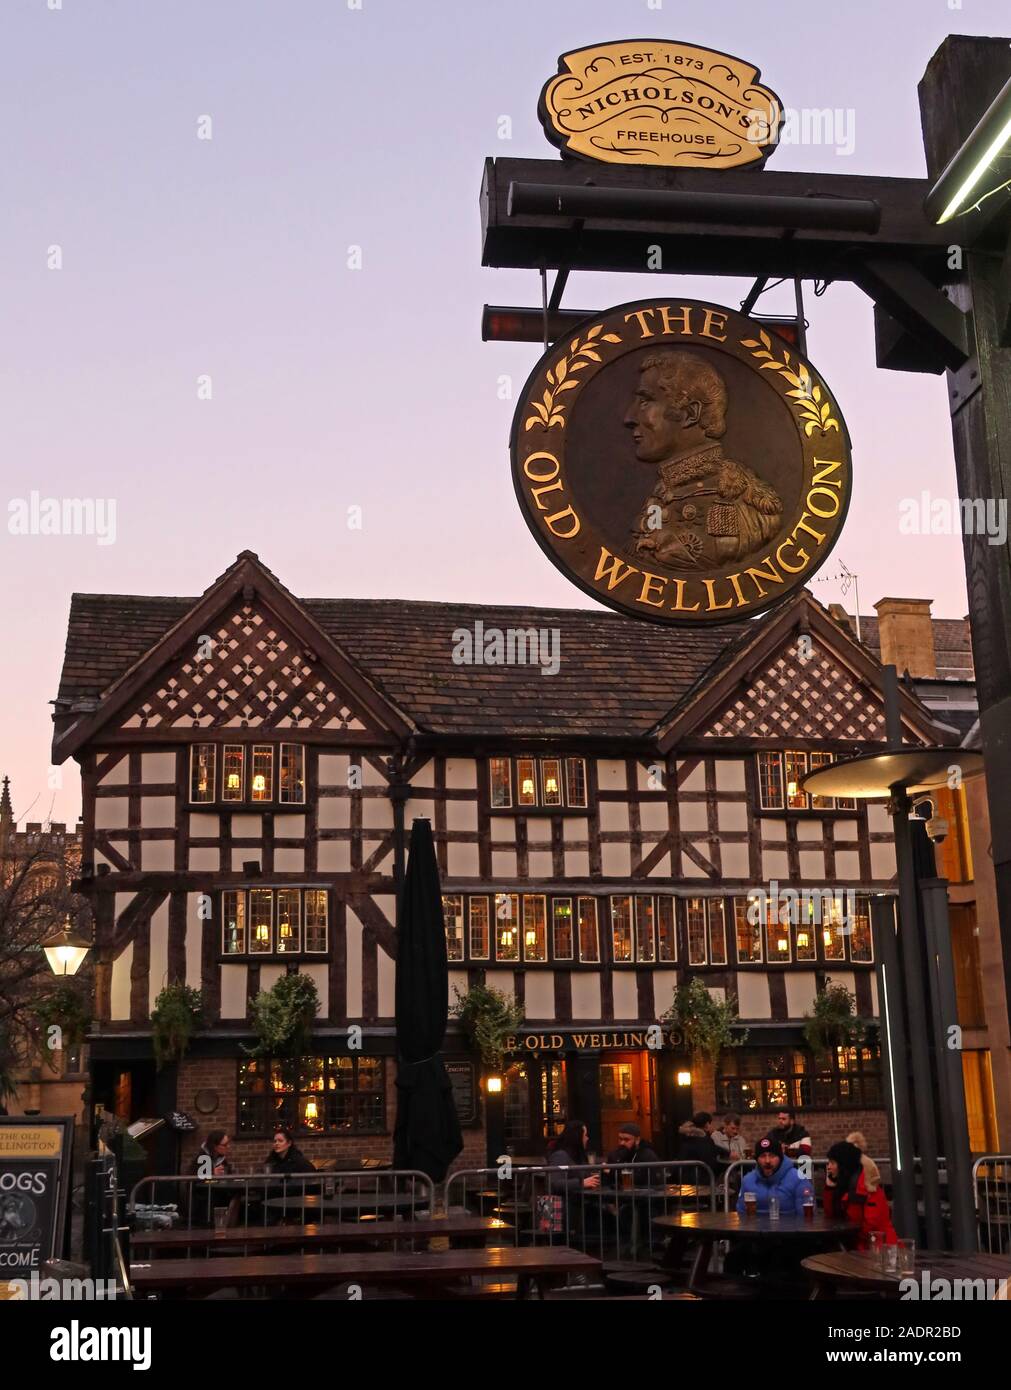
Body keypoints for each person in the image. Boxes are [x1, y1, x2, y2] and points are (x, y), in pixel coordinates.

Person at [625, 349, 783, 570]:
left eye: (645, 401)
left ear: (690, 413)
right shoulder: (662, 493)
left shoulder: (735, 499)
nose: (629, 418)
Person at [824, 1141, 897, 1251]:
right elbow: (831, 1216)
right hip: (859, 1247)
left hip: (880, 1249)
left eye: (832, 1163)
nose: (828, 1167)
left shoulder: (867, 1187)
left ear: (843, 1165)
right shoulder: (844, 1185)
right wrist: (830, 1188)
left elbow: (870, 1226)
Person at [735, 1136, 814, 1217]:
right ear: (757, 1159)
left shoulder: (798, 1179)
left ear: (780, 1158)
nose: (767, 1161)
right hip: (755, 1229)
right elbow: (741, 1215)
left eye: (772, 1156)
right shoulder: (748, 1180)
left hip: (789, 1228)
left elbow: (806, 1219)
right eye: (762, 1156)